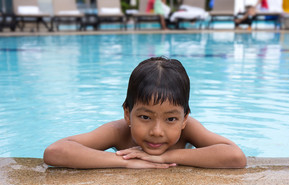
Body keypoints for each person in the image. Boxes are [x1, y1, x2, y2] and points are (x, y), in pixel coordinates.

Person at [43, 57, 246, 169]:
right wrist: (126, 163)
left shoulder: (189, 129)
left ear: (184, 119)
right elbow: (56, 152)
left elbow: (235, 157)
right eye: (145, 117)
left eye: (171, 119)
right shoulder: (118, 131)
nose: (157, 131)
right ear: (127, 114)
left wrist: (167, 157)